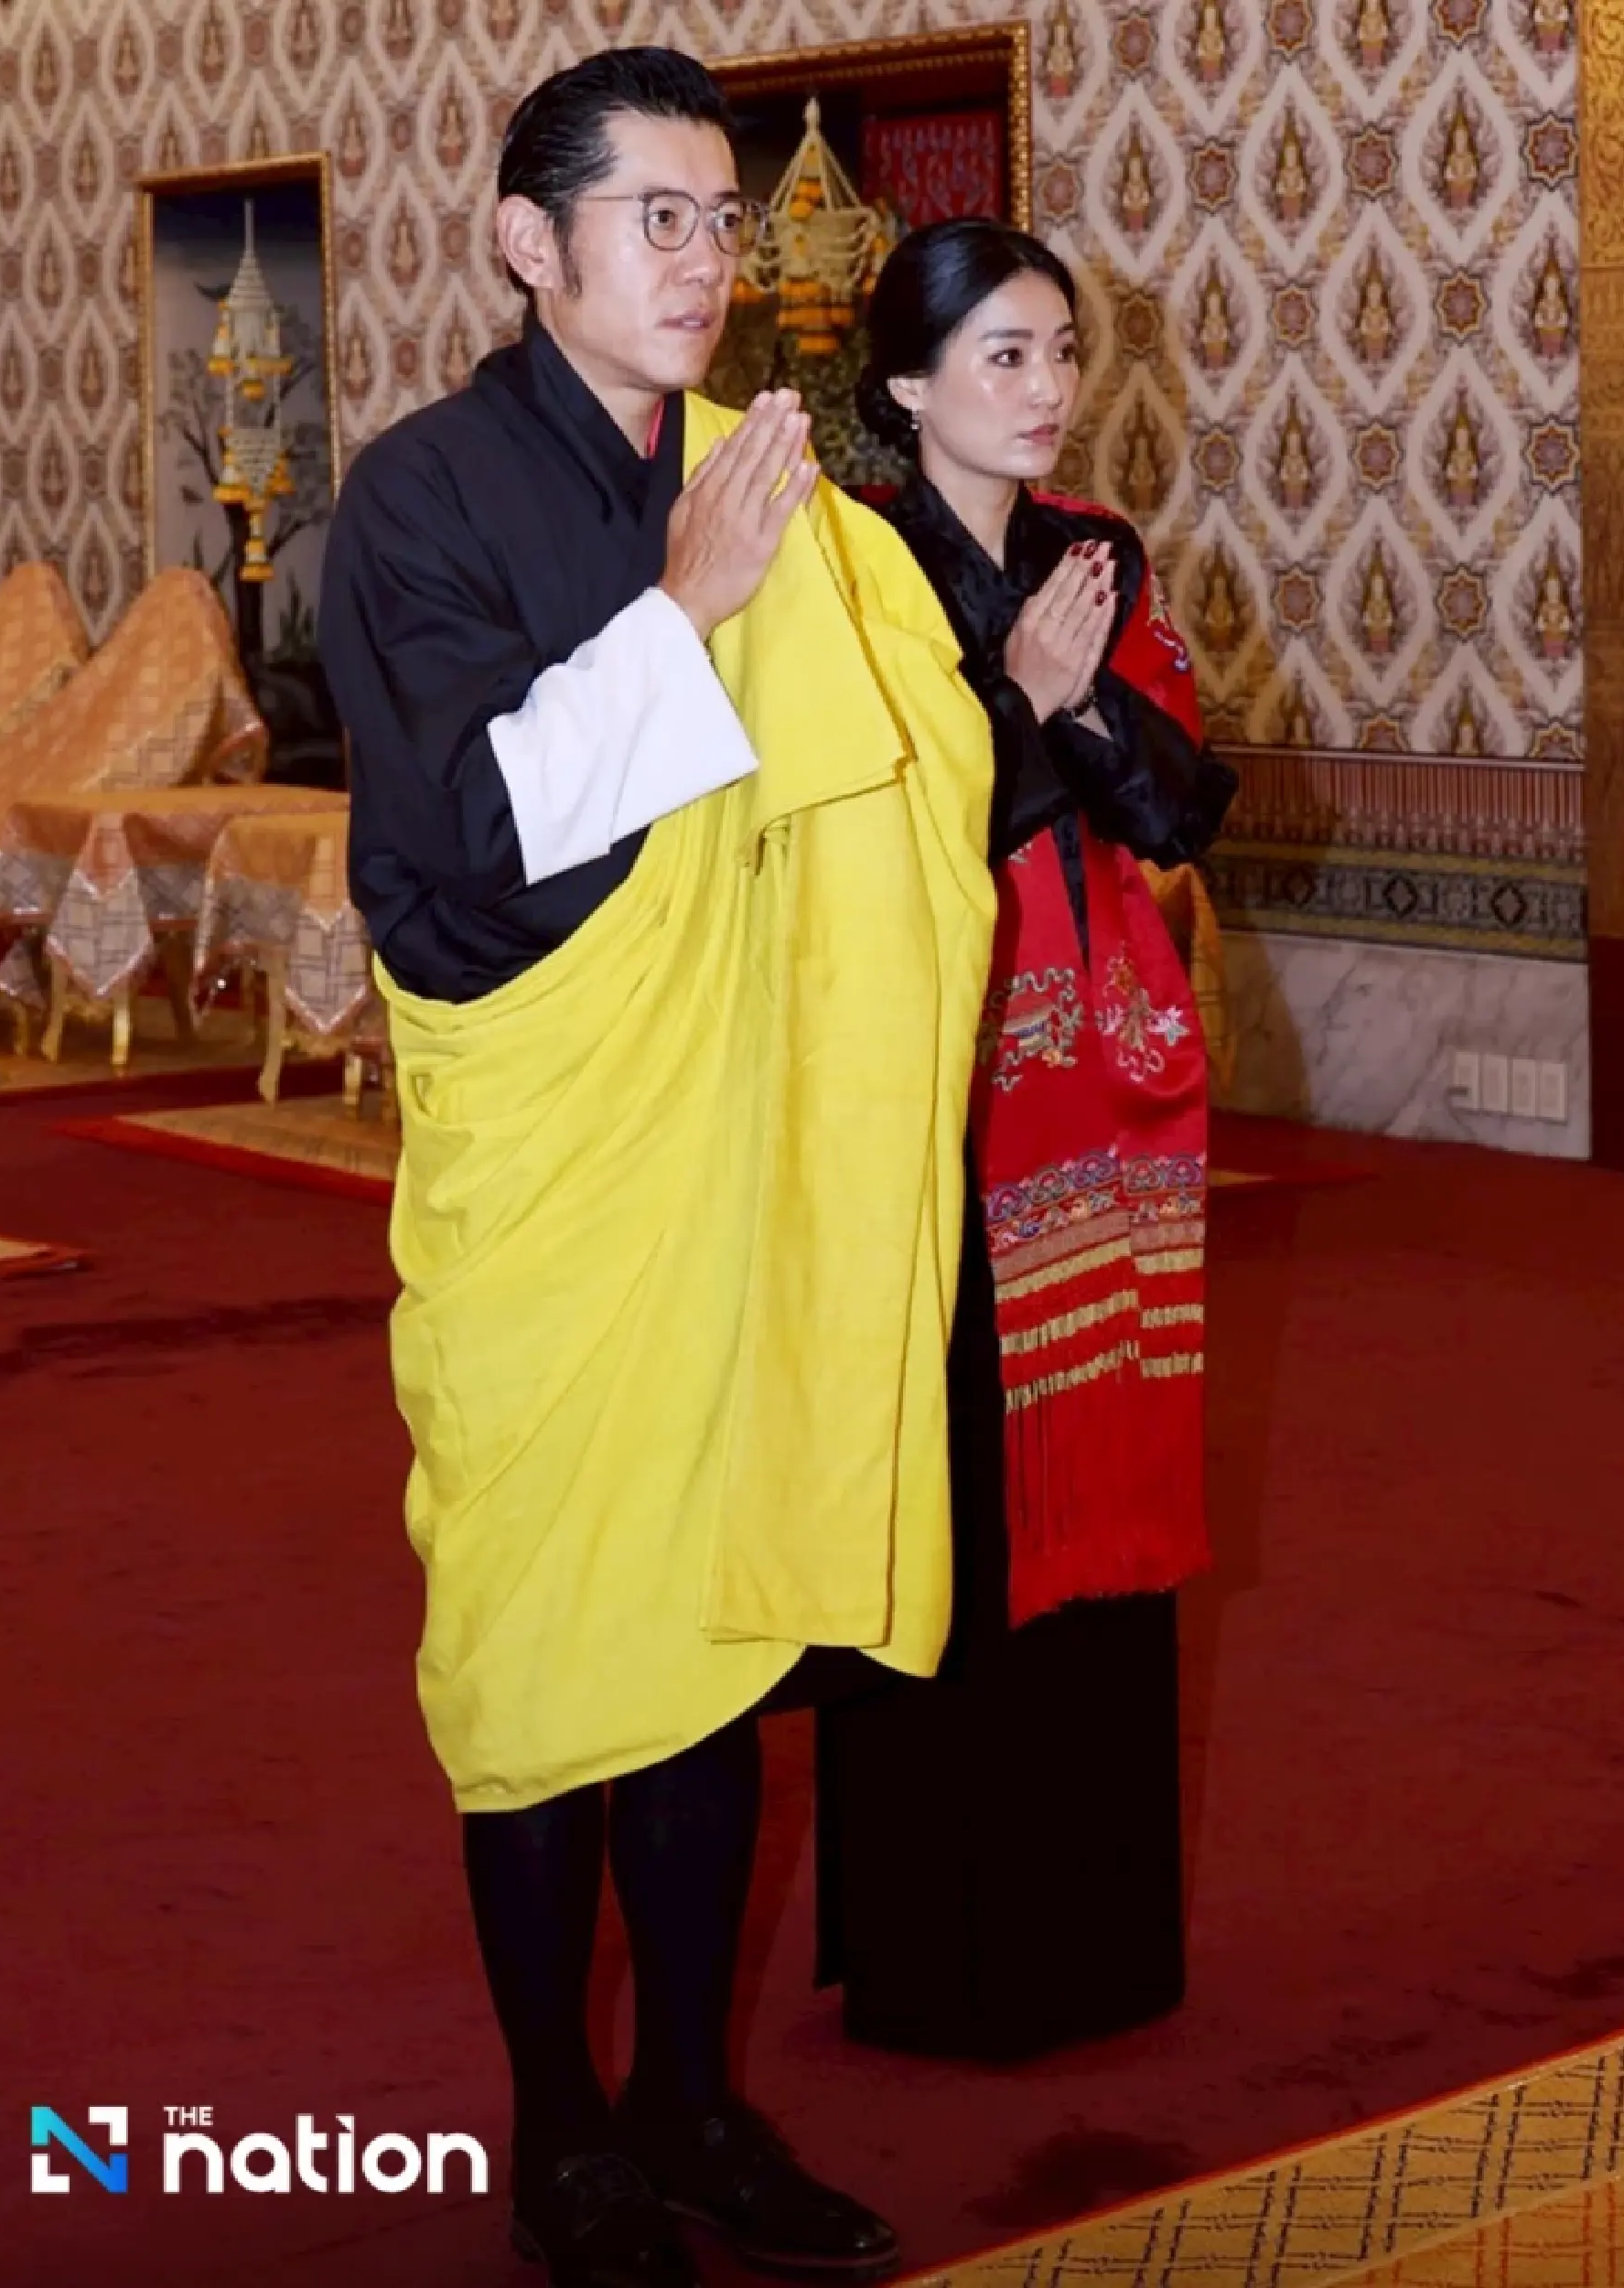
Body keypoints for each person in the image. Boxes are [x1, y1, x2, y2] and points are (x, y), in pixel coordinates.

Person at [318, 54, 997, 2288]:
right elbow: (454, 857)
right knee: (539, 1656)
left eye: (727, 224)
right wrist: (683, 618)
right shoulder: (414, 500)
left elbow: (899, 760)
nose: (710, 265)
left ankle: (696, 2099)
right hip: (555, 1162)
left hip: (735, 1149)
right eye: (663, 221)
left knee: (711, 1646)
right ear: (534, 244)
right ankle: (559, 2131)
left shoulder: (764, 473)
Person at [815, 219, 1238, 2060]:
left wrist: (1074, 715)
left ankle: (1094, 1931)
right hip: (927, 1073)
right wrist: (1036, 707)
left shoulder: (1097, 550)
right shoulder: (850, 567)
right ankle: (939, 1945)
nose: (1047, 387)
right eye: (1001, 354)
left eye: (1059, 349)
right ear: (904, 387)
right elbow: (880, 820)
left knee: (1106, 1458)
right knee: (952, 1488)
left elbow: (1184, 796)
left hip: (1100, 1074)